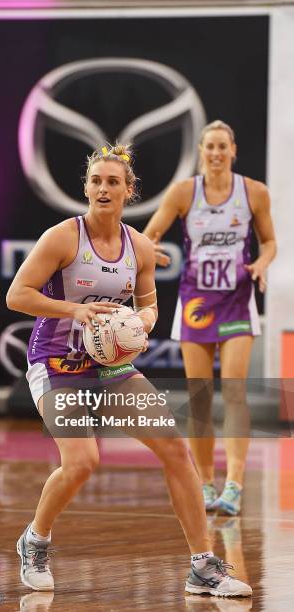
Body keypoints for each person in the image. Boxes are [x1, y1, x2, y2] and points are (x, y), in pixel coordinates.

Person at [6, 143, 252, 597]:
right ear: (86, 188)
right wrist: (73, 311)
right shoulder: (62, 237)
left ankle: (202, 566)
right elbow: (17, 295)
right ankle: (35, 539)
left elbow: (150, 306)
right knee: (82, 463)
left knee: (175, 449)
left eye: (113, 182)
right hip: (56, 365)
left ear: (128, 191)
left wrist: (139, 323)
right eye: (96, 180)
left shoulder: (138, 246)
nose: (103, 188)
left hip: (110, 368)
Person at [144, 120, 277, 516]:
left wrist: (261, 264)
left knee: (234, 390)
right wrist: (153, 253)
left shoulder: (253, 192)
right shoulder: (184, 192)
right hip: (196, 304)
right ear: (201, 151)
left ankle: (234, 484)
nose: (216, 153)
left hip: (237, 300)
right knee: (200, 398)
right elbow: (147, 236)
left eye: (223, 146)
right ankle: (204, 483)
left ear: (233, 150)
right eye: (210, 147)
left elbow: (269, 241)